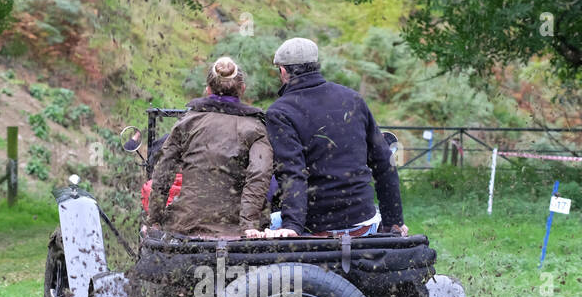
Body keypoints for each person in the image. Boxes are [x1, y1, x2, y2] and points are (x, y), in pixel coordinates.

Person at [263, 37, 409, 238]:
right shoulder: (353, 99)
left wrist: (293, 227)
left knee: (264, 223)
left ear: (283, 71)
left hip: (316, 228)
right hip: (364, 223)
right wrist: (394, 222)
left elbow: (292, 173)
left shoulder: (279, 112)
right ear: (316, 66)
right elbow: (384, 162)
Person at [145, 56, 273, 239]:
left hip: (185, 225)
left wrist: (154, 220)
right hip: (236, 230)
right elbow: (259, 176)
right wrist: (248, 225)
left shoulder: (186, 123)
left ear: (208, 90)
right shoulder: (256, 129)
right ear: (242, 89)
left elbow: (163, 173)